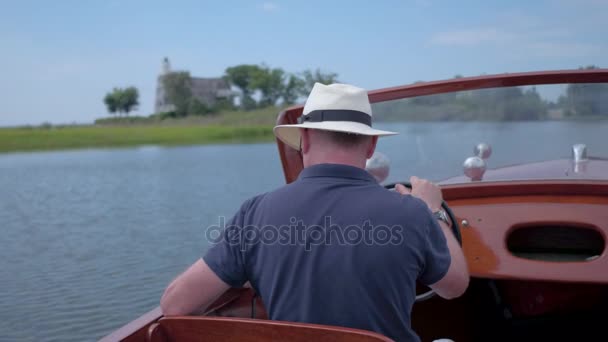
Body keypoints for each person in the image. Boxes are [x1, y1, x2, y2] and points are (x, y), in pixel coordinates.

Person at [160, 83, 469, 341]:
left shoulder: (255, 213)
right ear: (372, 146)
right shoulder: (411, 213)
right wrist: (433, 211)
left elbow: (175, 304)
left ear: (304, 139)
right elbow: (454, 288)